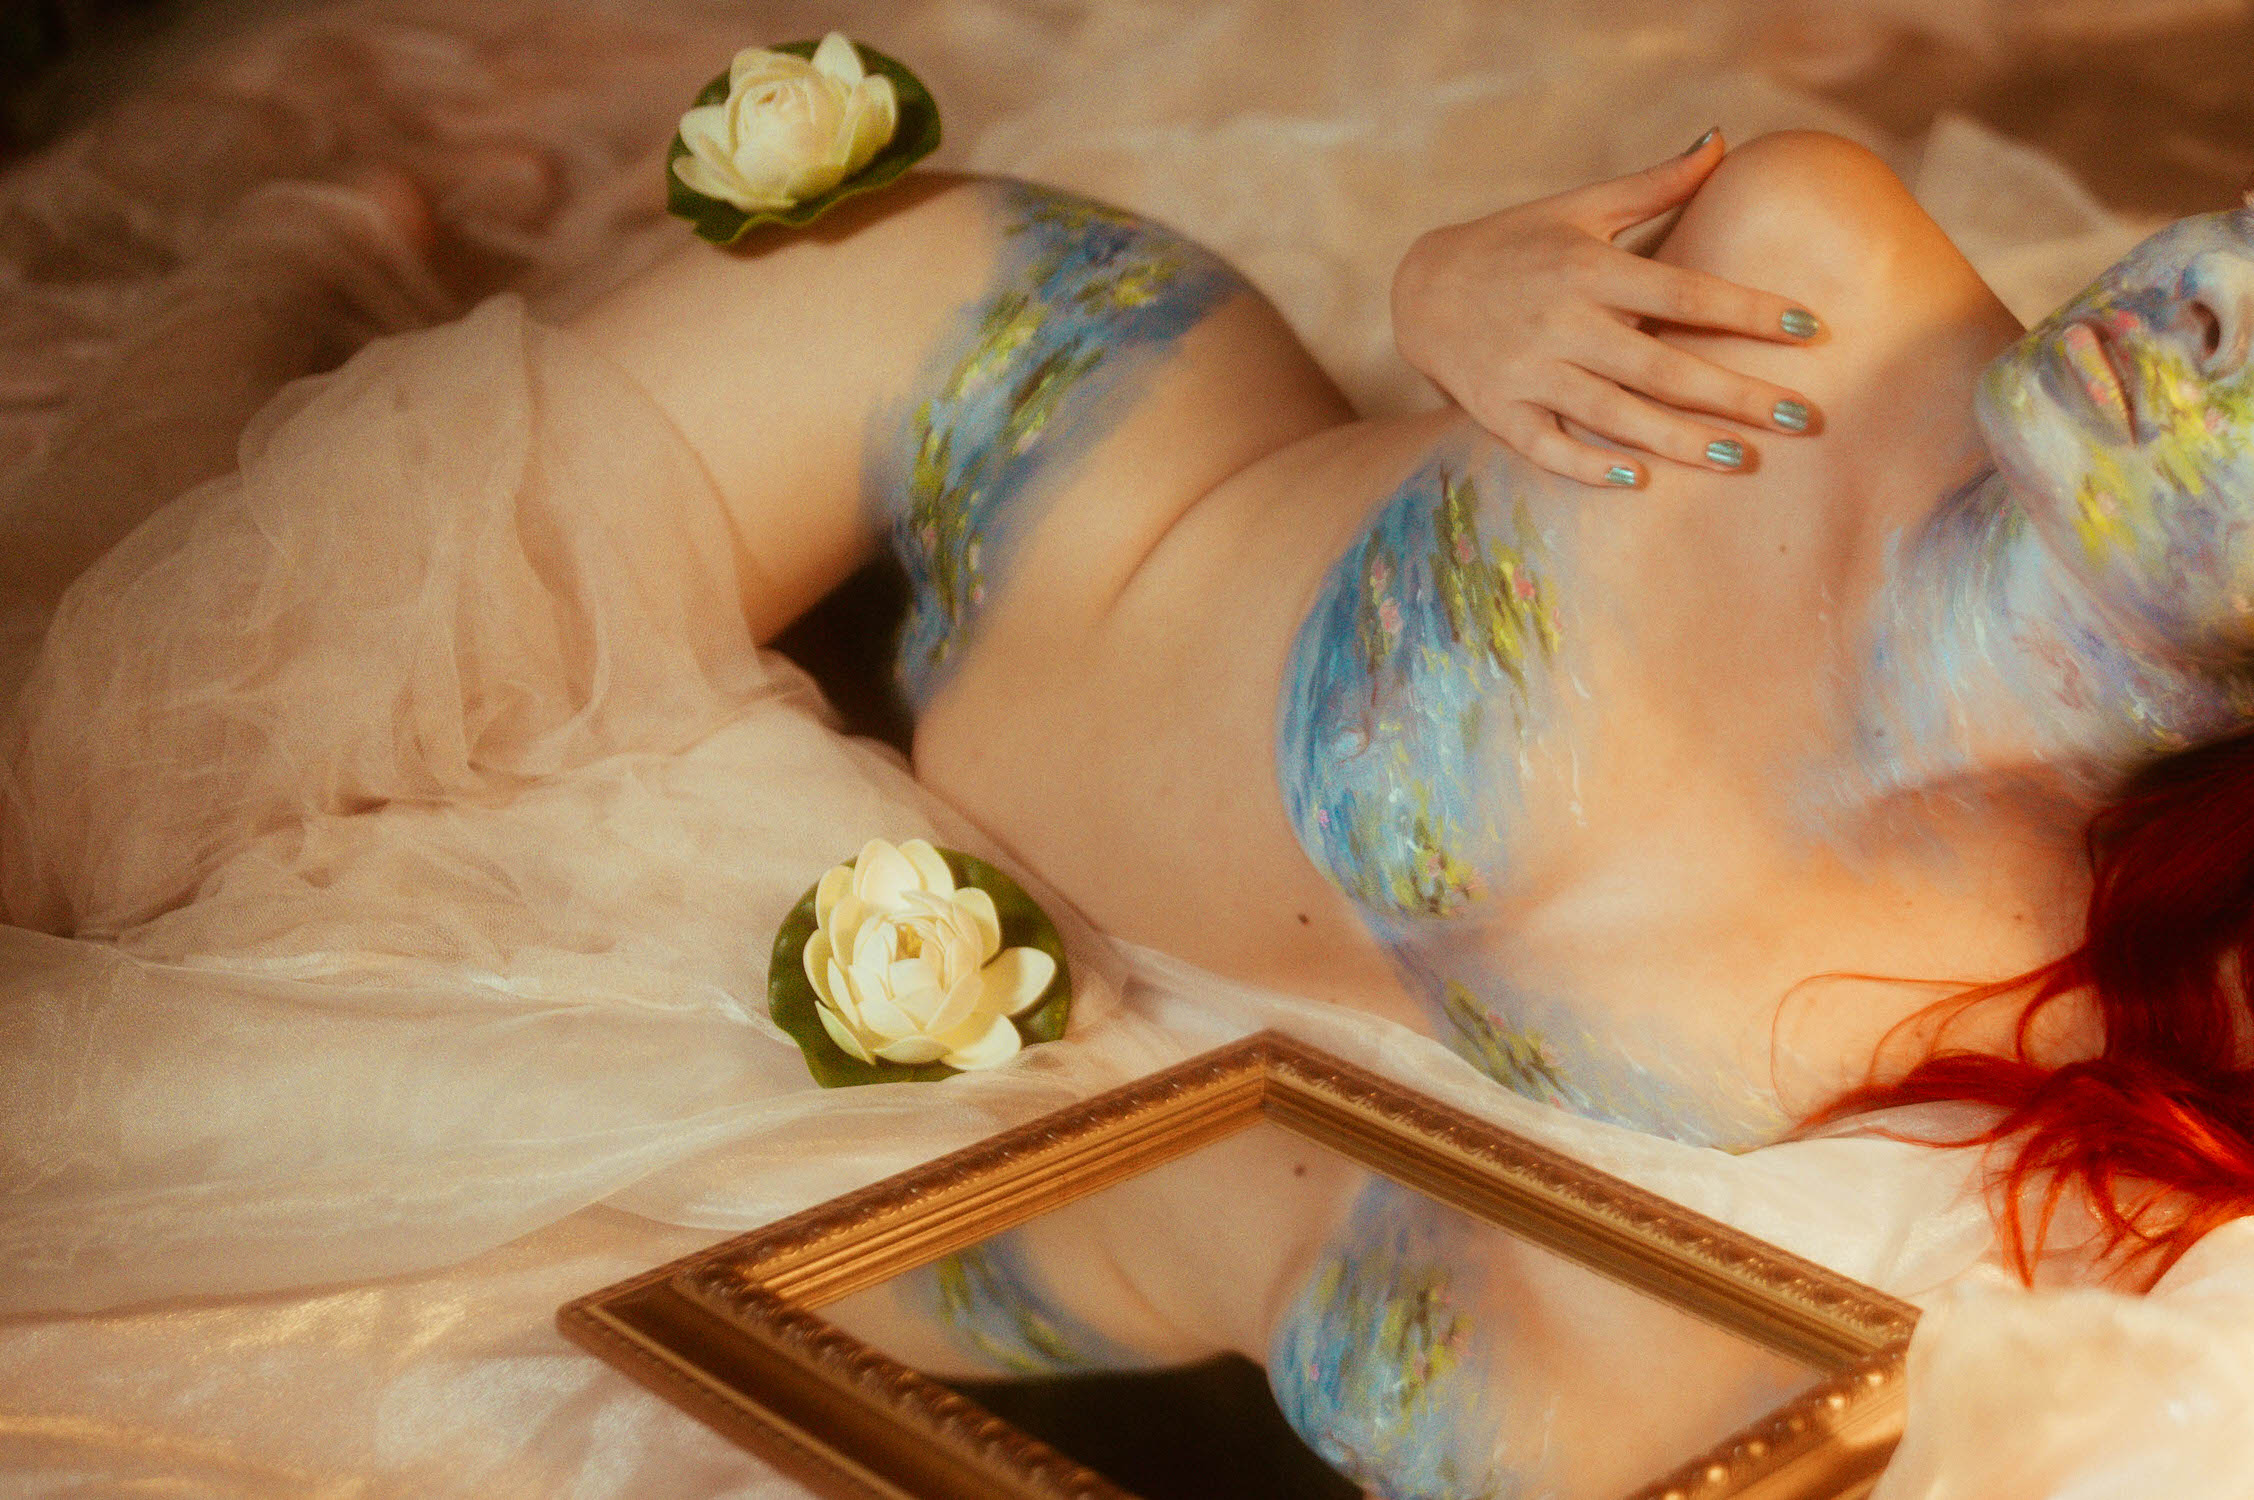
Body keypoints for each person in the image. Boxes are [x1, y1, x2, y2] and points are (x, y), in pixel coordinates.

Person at [7, 122, 2252, 1494]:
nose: (2210, 292)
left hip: (997, 898)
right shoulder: (1815, 262)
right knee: (113, 769)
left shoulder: (2060, 1018)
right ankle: (282, 275)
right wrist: (1445, 287)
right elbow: (1484, 305)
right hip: (998, 411)